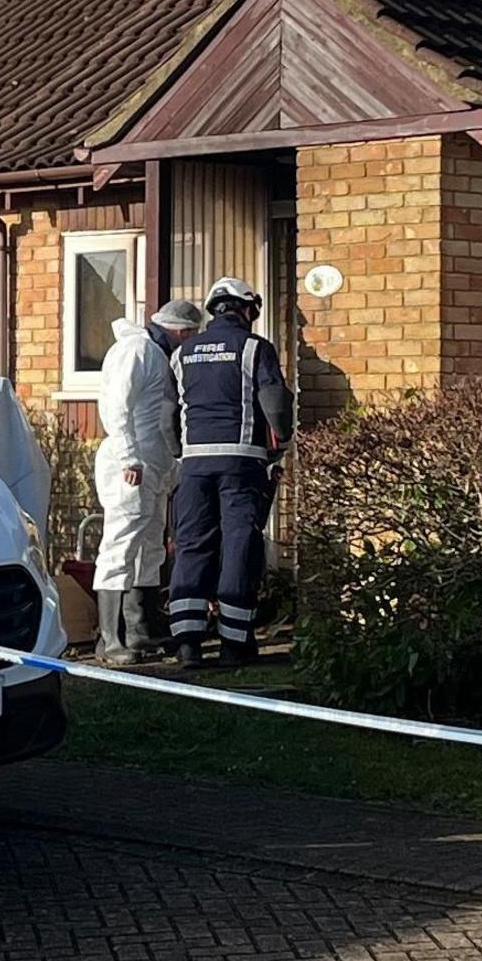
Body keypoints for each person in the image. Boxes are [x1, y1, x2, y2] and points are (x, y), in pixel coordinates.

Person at [164, 275, 292, 667]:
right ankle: (234, 643)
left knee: (192, 545)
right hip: (241, 463)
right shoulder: (255, 348)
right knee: (239, 545)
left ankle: (187, 643)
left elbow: (167, 414)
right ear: (245, 309)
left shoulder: (183, 353)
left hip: (194, 466)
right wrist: (281, 445)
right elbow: (275, 406)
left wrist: (181, 454)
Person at [88, 296, 202, 662]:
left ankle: (139, 631)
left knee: (150, 544)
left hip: (152, 463)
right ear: (182, 331)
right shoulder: (136, 350)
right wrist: (129, 456)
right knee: (120, 545)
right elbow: (116, 405)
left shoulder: (153, 352)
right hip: (131, 465)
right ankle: (110, 638)